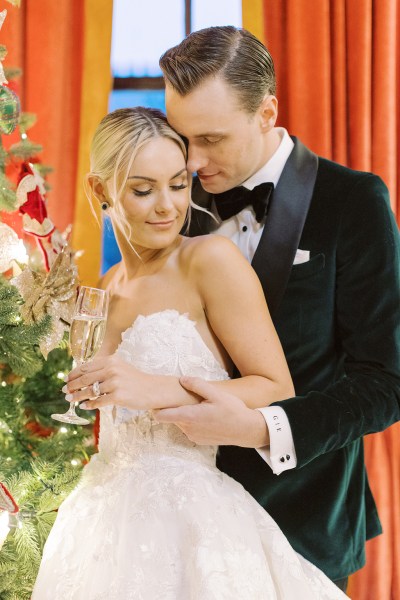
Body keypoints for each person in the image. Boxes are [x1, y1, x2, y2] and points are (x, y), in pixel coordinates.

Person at [32, 107, 348, 599]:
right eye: (143, 189)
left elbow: (275, 387)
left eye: (178, 184)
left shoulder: (208, 260)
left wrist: (154, 389)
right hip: (99, 525)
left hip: (193, 519)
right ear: (100, 192)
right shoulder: (103, 291)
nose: (167, 206)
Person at [149, 25, 400, 592]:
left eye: (212, 138)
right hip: (184, 528)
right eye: (182, 137)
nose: (192, 162)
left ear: (267, 112)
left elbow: (386, 380)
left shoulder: (353, 201)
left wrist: (263, 426)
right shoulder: (174, 206)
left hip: (304, 522)